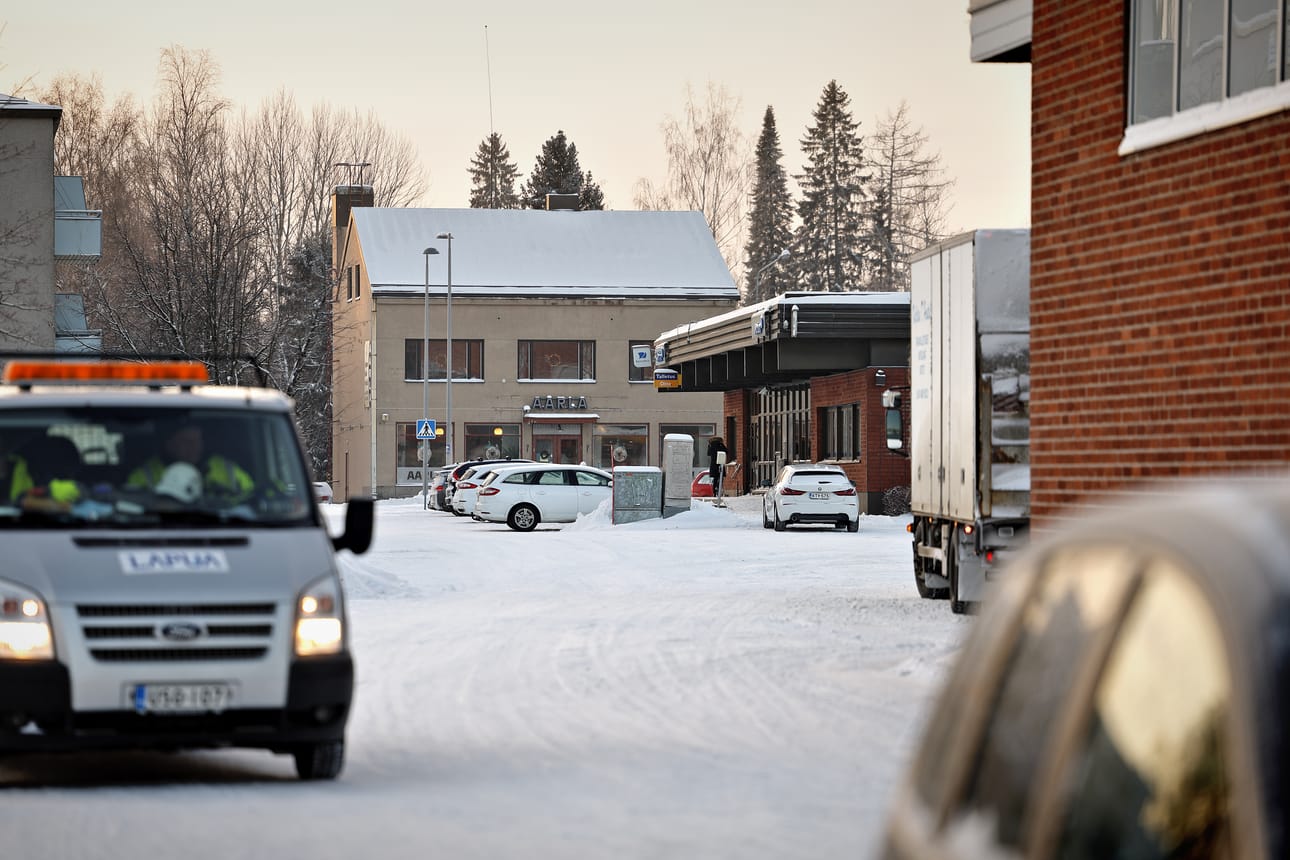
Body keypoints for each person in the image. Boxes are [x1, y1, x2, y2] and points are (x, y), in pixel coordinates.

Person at [127, 423, 254, 503]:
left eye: (198, 440)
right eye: (187, 442)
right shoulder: (145, 474)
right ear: (169, 444)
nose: (195, 446)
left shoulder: (226, 468)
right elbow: (131, 504)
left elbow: (252, 496)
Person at [707, 435, 730, 500]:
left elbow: (708, 453)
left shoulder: (711, 445)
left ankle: (714, 492)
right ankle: (719, 489)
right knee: (720, 477)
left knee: (715, 478)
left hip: (713, 464)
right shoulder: (720, 445)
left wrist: (709, 447)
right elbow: (727, 451)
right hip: (720, 463)